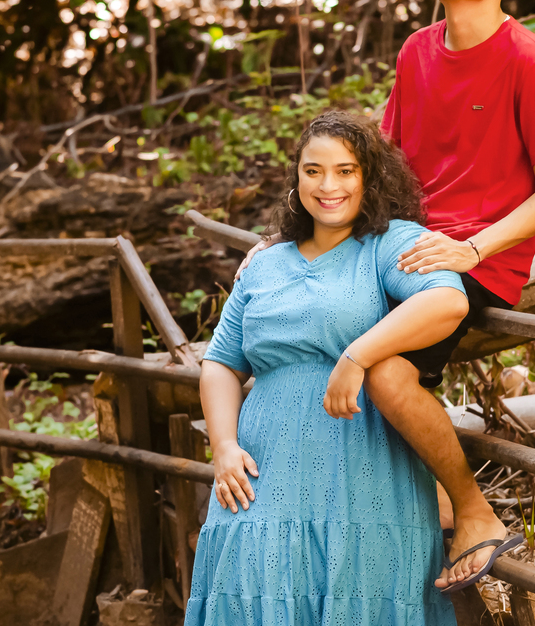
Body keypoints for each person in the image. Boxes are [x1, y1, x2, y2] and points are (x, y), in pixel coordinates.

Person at [238, 0, 535, 593]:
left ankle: (471, 510)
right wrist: (285, 242)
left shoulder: (529, 60)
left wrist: (472, 250)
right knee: (293, 340)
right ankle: (331, 524)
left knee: (386, 372)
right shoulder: (417, 50)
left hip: (473, 254)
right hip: (399, 239)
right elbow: (381, 163)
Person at [186, 111, 474, 626]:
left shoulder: (391, 243)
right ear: (297, 178)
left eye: (345, 171)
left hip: (365, 469)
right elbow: (221, 362)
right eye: (313, 170)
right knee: (255, 589)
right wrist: (224, 445)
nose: (328, 185)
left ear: (369, 178)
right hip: (260, 466)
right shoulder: (265, 263)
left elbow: (447, 303)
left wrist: (356, 355)